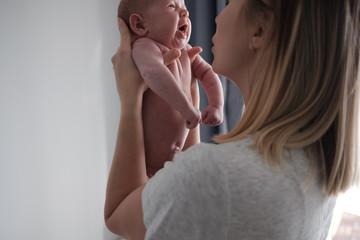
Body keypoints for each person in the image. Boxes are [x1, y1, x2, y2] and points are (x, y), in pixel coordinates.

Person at [105, 0, 360, 239]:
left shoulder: (212, 178)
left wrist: (130, 101)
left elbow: (117, 215)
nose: (217, 16)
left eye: (231, 1)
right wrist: (191, 96)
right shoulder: (314, 166)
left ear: (258, 30)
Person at [117, 0, 224, 177]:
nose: (185, 13)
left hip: (179, 157)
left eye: (185, 7)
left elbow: (207, 73)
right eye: (172, 6)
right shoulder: (144, 47)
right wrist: (186, 109)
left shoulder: (185, 51)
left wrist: (216, 105)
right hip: (148, 168)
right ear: (140, 24)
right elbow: (154, 73)